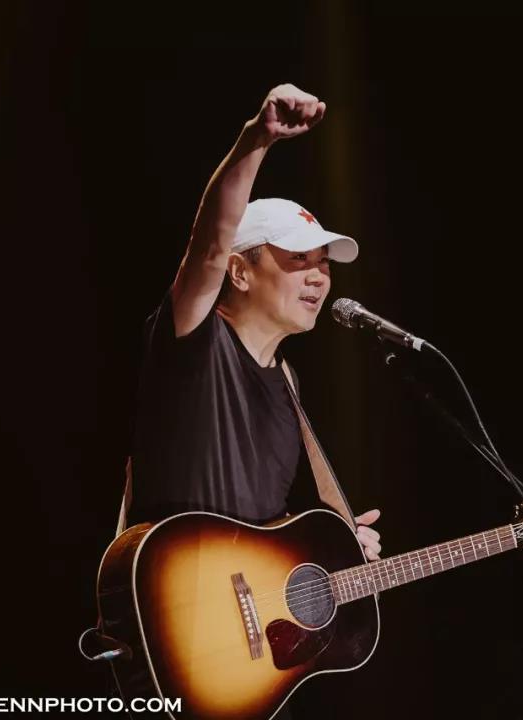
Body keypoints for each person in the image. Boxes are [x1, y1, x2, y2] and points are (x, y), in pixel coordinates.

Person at [123, 82, 383, 560]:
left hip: (242, 608)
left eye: (323, 262)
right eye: (298, 258)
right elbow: (210, 245)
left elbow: (262, 539)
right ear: (240, 272)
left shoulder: (288, 383)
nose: (318, 277)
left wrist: (332, 547)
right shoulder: (196, 338)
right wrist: (257, 139)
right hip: (178, 593)